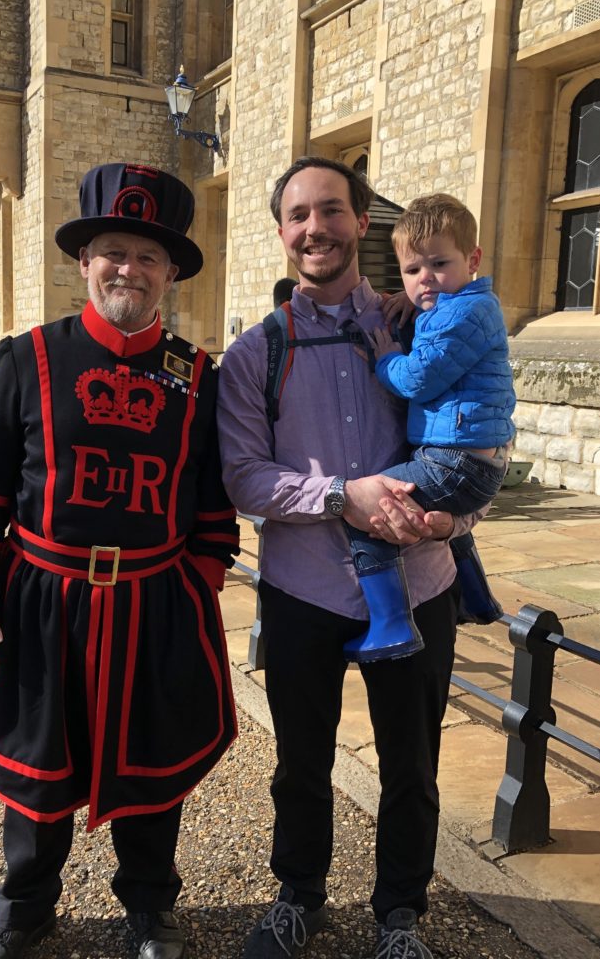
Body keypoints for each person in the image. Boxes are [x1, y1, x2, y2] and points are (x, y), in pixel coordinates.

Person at [0, 162, 239, 959]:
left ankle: (150, 908)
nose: (128, 270)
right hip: (42, 600)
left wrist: (193, 587)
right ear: (83, 261)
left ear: (170, 272)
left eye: (146, 258)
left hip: (153, 603)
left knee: (151, 767)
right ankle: (25, 907)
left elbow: (212, 509)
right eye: (112, 251)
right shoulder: (27, 357)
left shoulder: (195, 377)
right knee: (38, 777)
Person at [216, 157, 480, 959]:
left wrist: (455, 515)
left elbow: (475, 428)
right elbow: (243, 476)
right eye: (298, 215)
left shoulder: (417, 327)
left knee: (412, 763)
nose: (314, 229)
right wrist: (343, 496)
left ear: (361, 222)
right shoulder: (254, 354)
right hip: (303, 588)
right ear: (281, 231)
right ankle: (298, 893)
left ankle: (399, 915)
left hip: (418, 578)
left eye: (331, 210)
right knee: (302, 759)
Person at [339, 193, 515, 661]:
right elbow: (436, 315)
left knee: (366, 505)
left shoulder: (463, 312)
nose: (425, 278)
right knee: (444, 522)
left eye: (439, 263)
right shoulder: (464, 305)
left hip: (457, 460)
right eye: (412, 270)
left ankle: (391, 624)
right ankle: (477, 599)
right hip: (470, 459)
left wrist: (385, 359)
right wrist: (415, 302)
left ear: (472, 259)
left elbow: (419, 377)